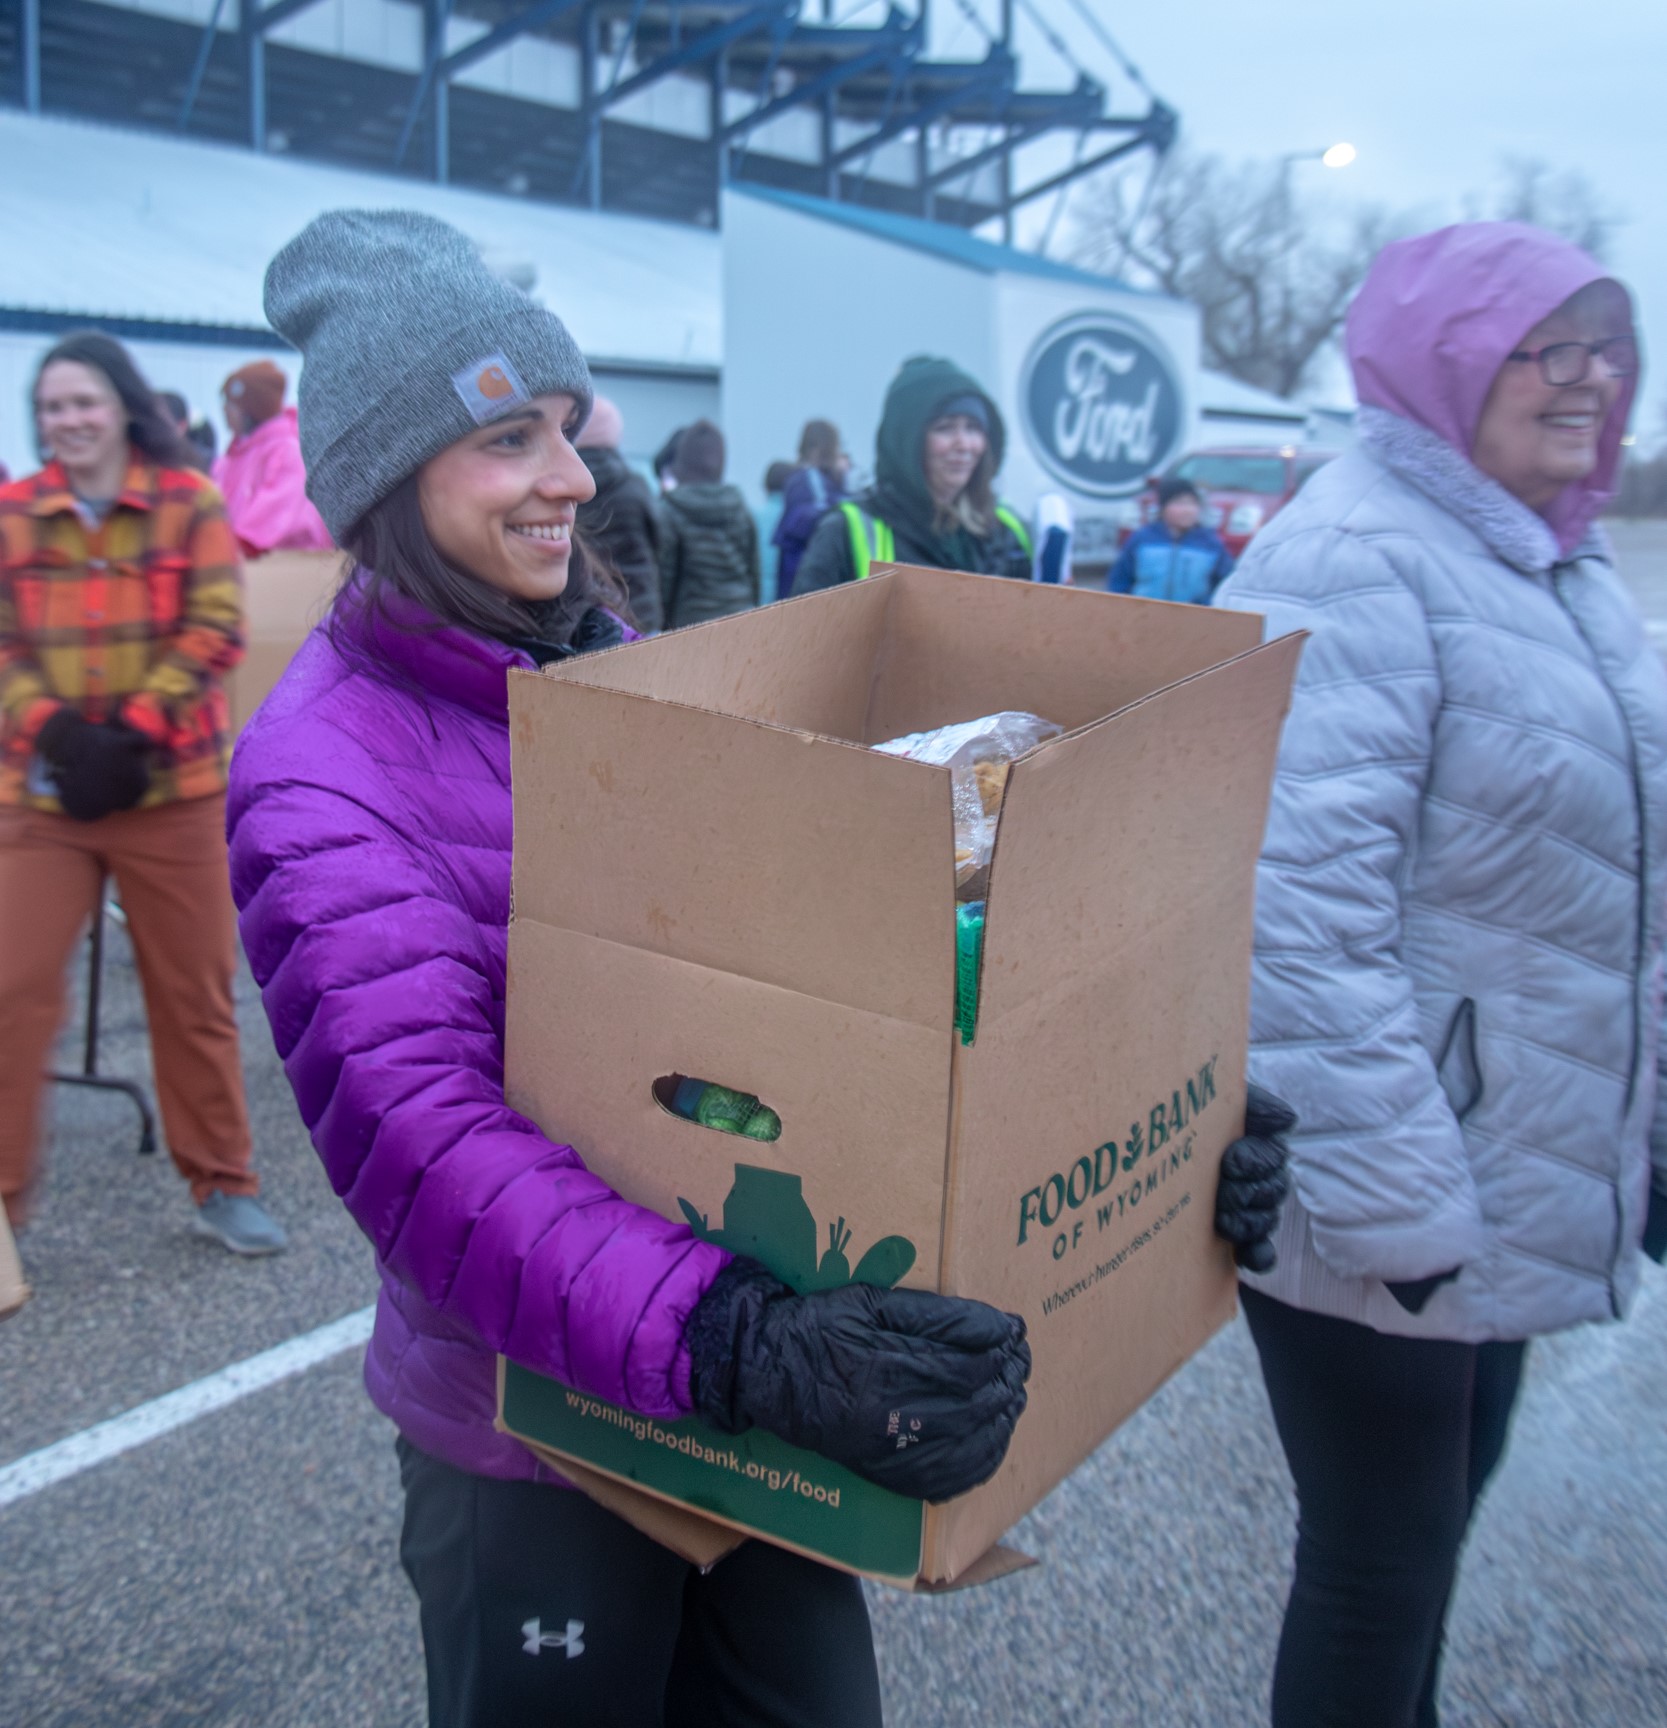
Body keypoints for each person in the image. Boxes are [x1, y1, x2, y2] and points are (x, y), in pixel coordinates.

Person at [229, 209, 1286, 1726]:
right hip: (541, 1440)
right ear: (390, 479)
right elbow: (420, 1144)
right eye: (511, 439)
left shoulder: (601, 656)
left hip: (746, 1391)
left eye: (565, 428)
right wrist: (735, 1341)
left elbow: (798, 991)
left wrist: (1163, 1111)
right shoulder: (322, 772)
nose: (571, 474)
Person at [1214, 222, 1666, 1728]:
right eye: (1551, 347)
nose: (1589, 379)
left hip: (1497, 1166)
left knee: (1420, 1556)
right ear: (1450, 361)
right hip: (1392, 1185)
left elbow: (1611, 896)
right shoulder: (1347, 560)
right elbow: (1285, 915)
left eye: (1608, 347)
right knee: (1376, 1571)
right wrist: (1393, 1206)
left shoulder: (1553, 562)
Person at [0, 331, 284, 1253]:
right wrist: (57, 732)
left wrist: (130, 734)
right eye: (52, 407)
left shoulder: (188, 502)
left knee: (192, 994)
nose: (68, 420)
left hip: (170, 793)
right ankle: (1, 1205)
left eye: (83, 401)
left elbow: (215, 627)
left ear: (123, 405)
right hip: (45, 802)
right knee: (11, 990)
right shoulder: (14, 514)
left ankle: (223, 1180)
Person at [794, 357, 1033, 591]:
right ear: (906, 441)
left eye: (973, 428)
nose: (963, 445)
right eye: (945, 428)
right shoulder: (848, 531)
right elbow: (807, 617)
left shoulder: (1008, 529)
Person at [213, 360, 333, 557]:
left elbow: (281, 511)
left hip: (282, 566)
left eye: (232, 404)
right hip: (236, 562)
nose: (225, 410)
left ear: (252, 410)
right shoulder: (233, 457)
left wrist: (237, 543)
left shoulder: (287, 451)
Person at [656, 418, 760, 630]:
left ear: (683, 462)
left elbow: (664, 581)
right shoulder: (740, 508)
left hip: (688, 626)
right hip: (740, 620)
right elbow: (754, 573)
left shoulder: (670, 510)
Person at [575, 393, 662, 633]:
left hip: (586, 616)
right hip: (641, 611)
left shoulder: (568, 489)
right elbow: (659, 541)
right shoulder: (635, 486)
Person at [1107, 478, 1233, 603]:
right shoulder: (1143, 540)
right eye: (1179, 503)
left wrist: (1205, 606)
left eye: (1192, 503)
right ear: (1163, 507)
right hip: (1143, 613)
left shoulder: (1210, 544)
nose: (1187, 510)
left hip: (1194, 614)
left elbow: (1225, 585)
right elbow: (1120, 580)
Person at [772, 419, 848, 599]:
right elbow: (820, 519)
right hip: (808, 577)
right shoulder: (811, 479)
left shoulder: (804, 478)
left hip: (796, 578)